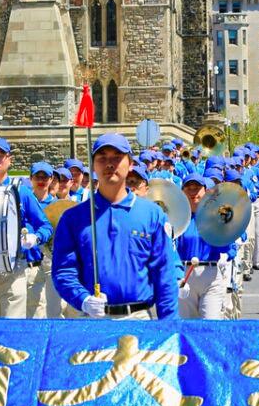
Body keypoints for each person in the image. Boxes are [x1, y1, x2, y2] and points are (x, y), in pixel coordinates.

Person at [53, 133, 179, 319]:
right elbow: (64, 271)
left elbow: (164, 274)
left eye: (117, 158)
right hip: (93, 320)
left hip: (138, 320)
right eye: (102, 158)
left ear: (130, 164)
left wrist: (169, 325)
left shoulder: (152, 214)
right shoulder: (73, 218)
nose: (109, 164)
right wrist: (83, 299)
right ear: (93, 165)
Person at [0, 138, 52, 318]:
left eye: (0, 155)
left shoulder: (21, 191)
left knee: (13, 325)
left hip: (14, 270)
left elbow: (45, 225)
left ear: (9, 159)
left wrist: (35, 238)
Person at [174, 174, 232, 319]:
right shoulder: (176, 218)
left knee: (211, 322)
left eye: (197, 188)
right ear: (182, 192)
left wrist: (223, 228)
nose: (193, 192)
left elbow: (225, 248)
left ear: (205, 191)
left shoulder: (215, 216)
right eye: (189, 188)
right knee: (186, 326)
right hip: (184, 274)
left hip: (210, 273)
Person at [26, 161, 62, 318]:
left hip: (51, 260)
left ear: (51, 179)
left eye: (45, 177)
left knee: (56, 309)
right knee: (34, 309)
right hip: (31, 262)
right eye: (37, 177)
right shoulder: (24, 203)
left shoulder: (58, 205)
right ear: (31, 179)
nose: (41, 181)